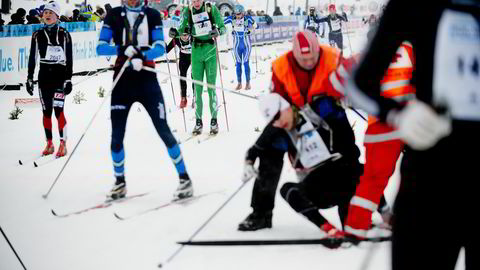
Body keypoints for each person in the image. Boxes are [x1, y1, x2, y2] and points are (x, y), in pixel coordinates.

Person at [344, 0, 478, 268]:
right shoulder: (413, 5)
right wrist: (398, 113)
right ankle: (355, 226)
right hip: (432, 179)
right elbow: (358, 84)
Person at [238, 30, 353, 231]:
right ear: (294, 54)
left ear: (319, 50)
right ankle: (261, 213)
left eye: (312, 58)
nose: (308, 62)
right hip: (294, 121)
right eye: (303, 59)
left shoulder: (333, 58)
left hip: (327, 120)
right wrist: (253, 152)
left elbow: (349, 88)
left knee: (348, 155)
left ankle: (357, 208)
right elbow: (278, 109)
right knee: (271, 151)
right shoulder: (281, 67)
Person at [96, 0, 193, 201]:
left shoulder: (152, 15)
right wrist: (122, 50)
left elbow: (159, 46)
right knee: (116, 135)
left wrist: (142, 54)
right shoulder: (114, 15)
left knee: (163, 129)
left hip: (146, 79)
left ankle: (185, 179)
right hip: (122, 81)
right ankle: (119, 182)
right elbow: (100, 47)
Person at [325, 41, 415, 238]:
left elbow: (335, 82)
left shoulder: (372, 51)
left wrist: (348, 97)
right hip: (415, 122)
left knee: (372, 181)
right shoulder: (419, 47)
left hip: (382, 124)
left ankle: (355, 228)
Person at [26, 1, 72, 158]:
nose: (47, 15)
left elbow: (69, 58)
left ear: (57, 16)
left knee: (59, 111)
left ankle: (63, 144)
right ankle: (49, 143)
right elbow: (32, 57)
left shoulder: (64, 34)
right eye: (45, 13)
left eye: (50, 13)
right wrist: (29, 78)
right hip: (44, 75)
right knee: (46, 112)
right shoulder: (37, 34)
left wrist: (68, 79)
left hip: (59, 75)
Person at [174, 0, 226, 135]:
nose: (196, 3)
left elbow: (223, 27)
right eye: (193, 0)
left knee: (211, 88)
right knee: (197, 89)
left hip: (210, 51)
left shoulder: (211, 9)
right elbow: (181, 30)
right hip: (196, 52)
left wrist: (218, 31)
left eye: (198, 0)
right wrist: (177, 34)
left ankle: (214, 121)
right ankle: (198, 121)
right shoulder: (187, 11)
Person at [224, 4, 258, 90]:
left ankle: (248, 83)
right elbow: (221, 22)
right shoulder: (232, 18)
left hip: (246, 45)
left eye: (239, 14)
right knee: (238, 64)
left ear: (243, 13)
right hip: (236, 45)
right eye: (236, 14)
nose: (238, 16)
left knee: (246, 63)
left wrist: (252, 27)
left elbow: (257, 26)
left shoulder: (247, 18)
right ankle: (239, 83)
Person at [166, 28, 194, 108]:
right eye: (182, 35)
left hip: (193, 56)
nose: (184, 37)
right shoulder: (177, 38)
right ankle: (183, 98)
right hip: (183, 58)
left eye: (186, 35)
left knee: (194, 76)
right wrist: (162, 44)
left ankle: (195, 98)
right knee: (182, 77)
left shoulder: (193, 38)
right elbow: (167, 50)